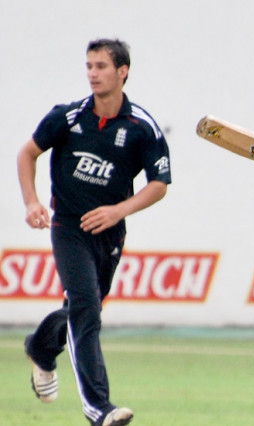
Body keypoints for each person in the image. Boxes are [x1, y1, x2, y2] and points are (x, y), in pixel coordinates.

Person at [17, 38, 172, 426]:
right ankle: (98, 409)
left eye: (101, 66)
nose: (92, 73)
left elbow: (159, 185)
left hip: (110, 235)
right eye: (89, 66)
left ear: (122, 71)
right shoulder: (67, 117)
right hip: (68, 227)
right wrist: (32, 202)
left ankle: (41, 347)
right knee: (85, 309)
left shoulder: (141, 127)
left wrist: (119, 210)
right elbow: (27, 153)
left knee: (83, 310)